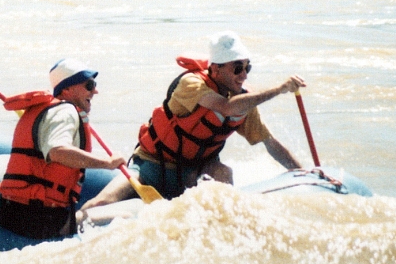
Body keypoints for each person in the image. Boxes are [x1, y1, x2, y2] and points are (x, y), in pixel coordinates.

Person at [80, 31, 303, 211]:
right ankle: (72, 228)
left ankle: (223, 224)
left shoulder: (243, 104)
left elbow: (270, 143)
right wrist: (278, 89)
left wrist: (303, 172)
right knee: (101, 204)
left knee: (223, 172)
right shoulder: (191, 84)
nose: (244, 74)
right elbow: (225, 107)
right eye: (237, 68)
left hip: (191, 172)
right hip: (152, 165)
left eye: (247, 67)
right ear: (215, 68)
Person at [0, 59, 126, 240]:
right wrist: (107, 163)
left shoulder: (48, 109)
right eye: (89, 85)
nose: (95, 91)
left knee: (90, 209)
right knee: (128, 217)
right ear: (67, 89)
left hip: (12, 211)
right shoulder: (65, 112)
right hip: (39, 218)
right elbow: (58, 151)